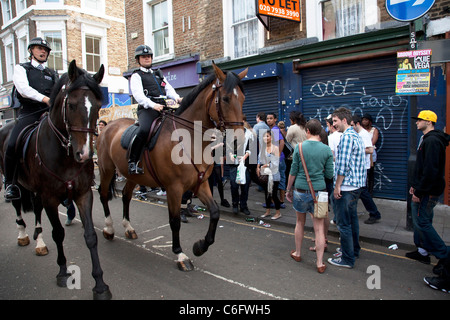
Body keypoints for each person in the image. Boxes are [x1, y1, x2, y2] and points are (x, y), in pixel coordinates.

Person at [4, 37, 58, 200]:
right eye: (38, 48)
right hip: (29, 112)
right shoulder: (22, 68)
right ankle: (10, 184)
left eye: (45, 50)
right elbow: (23, 89)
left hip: (49, 113)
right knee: (12, 144)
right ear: (30, 51)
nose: (43, 52)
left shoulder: (52, 73)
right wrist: (45, 99)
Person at [286, 119, 334, 274]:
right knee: (319, 229)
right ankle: (319, 263)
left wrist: (288, 189)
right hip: (319, 193)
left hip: (300, 190)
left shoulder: (299, 147)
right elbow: (329, 174)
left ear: (307, 130)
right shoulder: (326, 150)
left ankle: (298, 253)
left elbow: (293, 171)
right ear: (319, 131)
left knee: (300, 222)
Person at [128, 45, 182, 174]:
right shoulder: (136, 76)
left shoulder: (158, 73)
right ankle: (133, 162)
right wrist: (153, 105)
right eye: (143, 57)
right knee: (144, 129)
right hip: (148, 109)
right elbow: (138, 95)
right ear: (138, 60)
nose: (146, 59)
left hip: (164, 107)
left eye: (148, 57)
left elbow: (168, 89)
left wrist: (177, 98)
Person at [406, 110, 450, 266]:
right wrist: (415, 185)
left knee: (422, 222)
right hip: (424, 187)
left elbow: (430, 170)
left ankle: (444, 255)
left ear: (429, 122)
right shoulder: (427, 139)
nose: (417, 122)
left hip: (427, 191)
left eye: (420, 120)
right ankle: (422, 251)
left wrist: (419, 190)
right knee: (423, 220)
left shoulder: (431, 141)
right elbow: (422, 167)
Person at [328, 107, 366, 269]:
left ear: (344, 120)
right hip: (357, 185)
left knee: (343, 224)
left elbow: (342, 166)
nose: (333, 124)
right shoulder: (355, 136)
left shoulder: (346, 138)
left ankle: (347, 258)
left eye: (335, 121)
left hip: (346, 186)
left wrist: (337, 186)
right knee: (352, 221)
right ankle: (353, 250)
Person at [351, 115, 382, 224]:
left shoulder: (363, 134)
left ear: (357, 124)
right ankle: (373, 213)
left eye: (352, 125)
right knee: (361, 191)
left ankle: (374, 213)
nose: (351, 128)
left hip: (363, 167)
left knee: (362, 191)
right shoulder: (359, 133)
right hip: (360, 166)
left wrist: (355, 149)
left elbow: (369, 150)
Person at [227, 127, 253, 215]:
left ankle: (243, 206)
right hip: (234, 165)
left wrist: (244, 157)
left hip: (245, 165)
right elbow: (227, 147)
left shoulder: (249, 134)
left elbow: (250, 149)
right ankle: (235, 205)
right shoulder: (231, 134)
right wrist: (230, 155)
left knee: (245, 187)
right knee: (234, 186)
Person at [258, 130, 281, 220]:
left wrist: (267, 165)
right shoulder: (263, 148)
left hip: (274, 175)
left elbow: (276, 162)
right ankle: (268, 211)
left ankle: (278, 212)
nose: (265, 138)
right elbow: (259, 159)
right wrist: (258, 166)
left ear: (271, 137)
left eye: (267, 136)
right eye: (264, 136)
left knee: (274, 194)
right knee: (267, 193)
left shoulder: (275, 148)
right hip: (265, 174)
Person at [266, 113, 286, 209]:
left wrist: (277, 154)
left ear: (275, 120)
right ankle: (281, 200)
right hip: (281, 159)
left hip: (278, 159)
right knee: (281, 179)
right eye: (267, 118)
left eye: (271, 118)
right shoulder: (275, 129)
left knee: (274, 180)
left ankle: (275, 201)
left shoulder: (274, 130)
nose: (269, 120)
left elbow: (281, 142)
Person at [361, 113, 379, 195]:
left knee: (370, 173)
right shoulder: (361, 130)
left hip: (371, 153)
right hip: (362, 153)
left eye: (366, 120)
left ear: (370, 121)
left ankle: (370, 192)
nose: (364, 121)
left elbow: (373, 142)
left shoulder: (374, 130)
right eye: (363, 120)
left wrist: (366, 146)